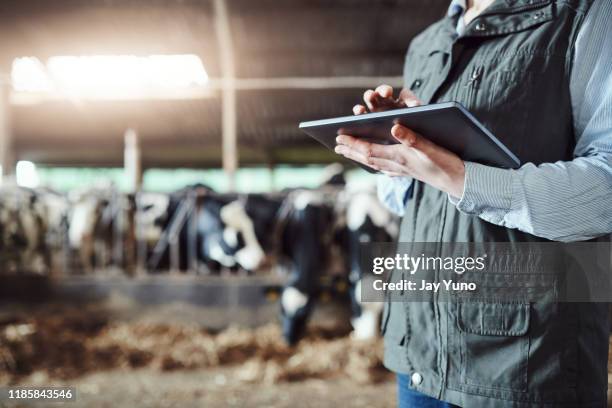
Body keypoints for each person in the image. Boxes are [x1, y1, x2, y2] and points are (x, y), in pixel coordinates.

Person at [333, 0, 612, 407]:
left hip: (525, 362)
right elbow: (406, 203)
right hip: (418, 349)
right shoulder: (428, 42)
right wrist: (397, 150)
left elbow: (606, 187)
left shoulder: (586, 13)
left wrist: (462, 178)